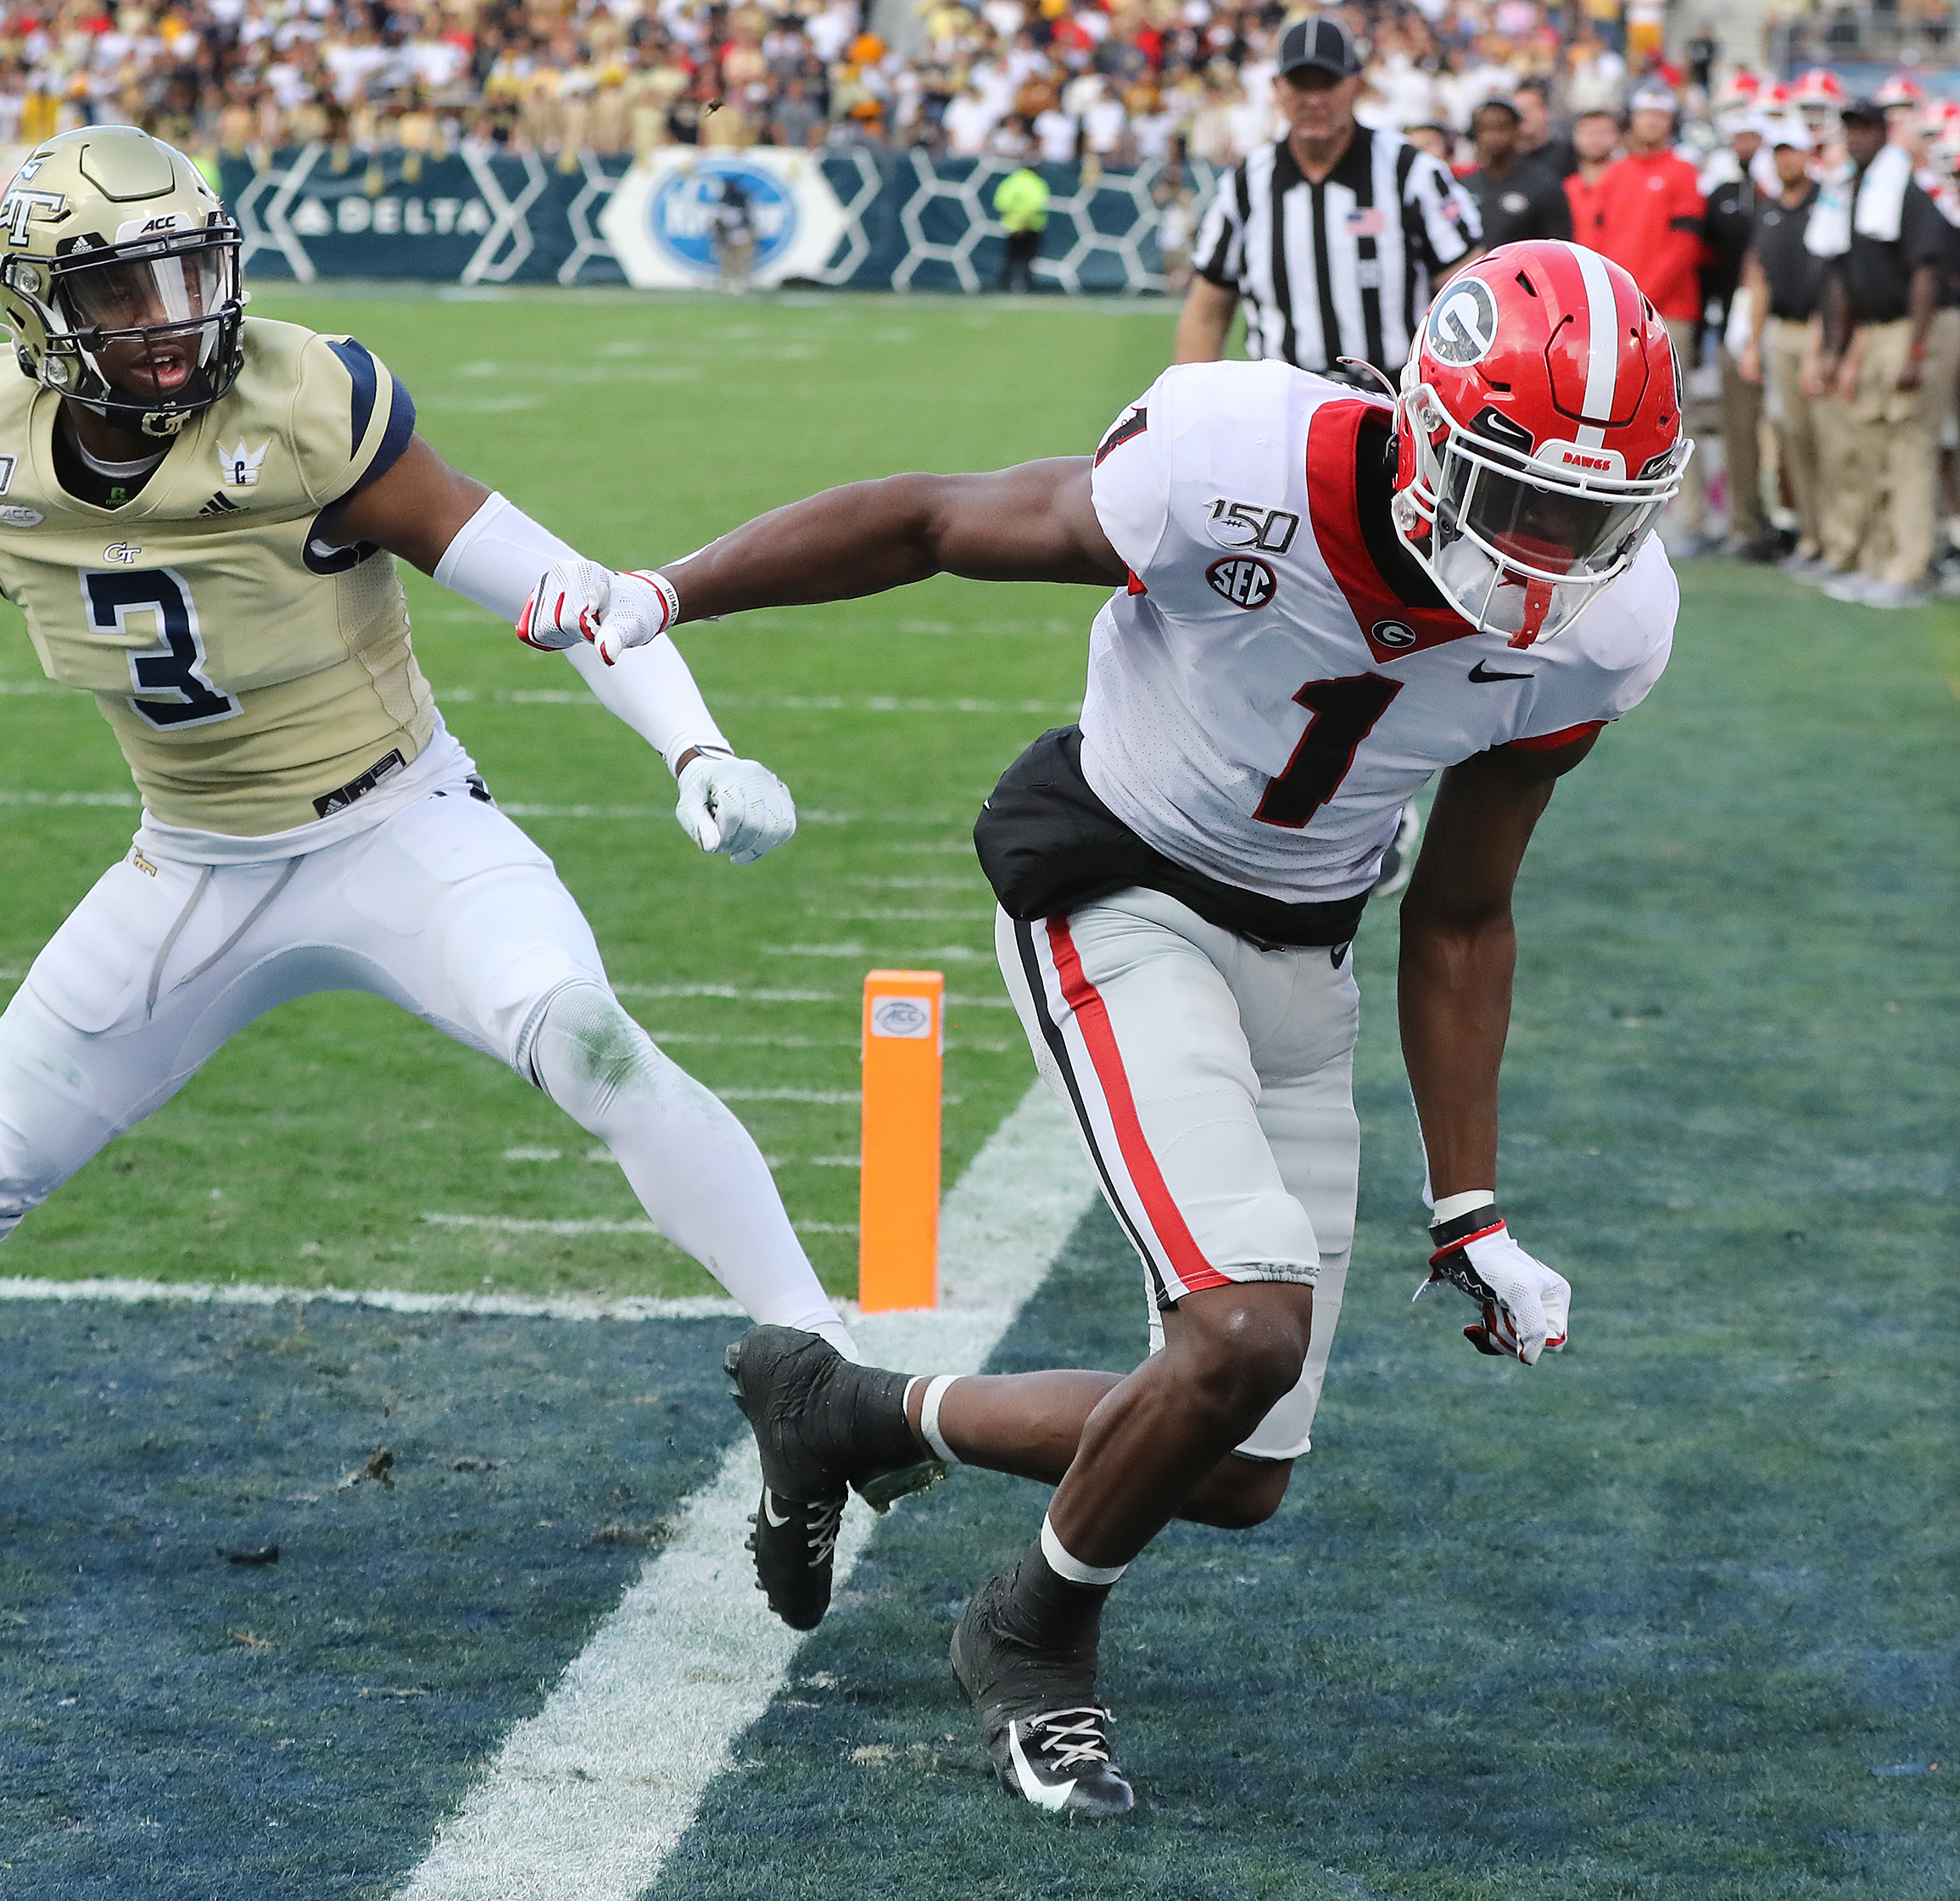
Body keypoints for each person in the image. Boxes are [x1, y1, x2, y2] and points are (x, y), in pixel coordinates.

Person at [528, 238, 1688, 1814]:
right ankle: (1031, 1633)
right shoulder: (1234, 463)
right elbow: (936, 519)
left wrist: (1471, 1205)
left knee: (1237, 1466)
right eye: (1526, 499)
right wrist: (664, 594)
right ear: (1424, 432)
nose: (1556, 553)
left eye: (1597, 517)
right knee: (1241, 1330)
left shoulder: (1603, 632)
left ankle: (845, 1410)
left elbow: (1467, 909)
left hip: (1305, 950)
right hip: (1114, 885)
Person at [0, 126, 870, 1540]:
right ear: (39, 312)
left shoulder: (304, 410)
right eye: (121, 291)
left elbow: (563, 592)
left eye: (188, 274)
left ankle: (823, 1360)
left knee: (585, 1033)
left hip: (401, 826)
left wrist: (695, 742)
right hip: (192, 862)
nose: (171, 321)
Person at [1183, 15, 1483, 390]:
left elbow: (1472, 294)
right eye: (1299, 84)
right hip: (1282, 409)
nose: (1313, 99)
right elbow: (1207, 311)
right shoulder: (1246, 185)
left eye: (1327, 83)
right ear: (1277, 88)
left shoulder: (1412, 174)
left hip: (1394, 406)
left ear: (1357, 85)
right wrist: (1194, 402)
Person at [1811, 98, 1960, 608]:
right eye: (1850, 129)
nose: (1856, 139)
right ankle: (1878, 560)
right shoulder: (1854, 190)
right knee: (1872, 444)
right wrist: (1837, 346)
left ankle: (1909, 566)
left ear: (1883, 132)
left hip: (1917, 325)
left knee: (1910, 446)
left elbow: (1926, 272)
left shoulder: (1908, 192)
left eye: (1866, 129)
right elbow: (1844, 279)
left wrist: (1916, 348)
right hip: (1875, 330)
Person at [1584, 87, 1710, 552]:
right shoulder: (1616, 175)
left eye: (1661, 114)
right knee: (1608, 414)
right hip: (1618, 314)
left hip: (1666, 314)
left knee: (1675, 414)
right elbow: (1595, 242)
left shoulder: (1681, 173)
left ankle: (1691, 517)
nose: (1652, 122)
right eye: (1645, 113)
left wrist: (1641, 298)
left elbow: (1685, 245)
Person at [1739, 124, 1828, 571]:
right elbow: (1759, 281)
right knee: (1792, 438)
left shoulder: (1825, 203)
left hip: (1823, 331)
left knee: (1827, 438)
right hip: (1781, 330)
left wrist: (1818, 346)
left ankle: (1838, 537)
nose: (1785, 160)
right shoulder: (1769, 209)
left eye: (1792, 151)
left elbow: (1832, 278)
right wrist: (1754, 343)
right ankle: (1811, 538)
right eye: (1779, 152)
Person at [1702, 113, 1770, 558]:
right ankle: (1746, 524)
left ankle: (1796, 525)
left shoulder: (1788, 193)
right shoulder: (1721, 195)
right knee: (1740, 431)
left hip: (1791, 322)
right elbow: (1707, 260)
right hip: (1735, 324)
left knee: (1793, 435)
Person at [1461, 99, 1575, 249]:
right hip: (1476, 272)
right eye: (1485, 130)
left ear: (1517, 130)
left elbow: (1560, 248)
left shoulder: (1544, 185)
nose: (1493, 137)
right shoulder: (1464, 187)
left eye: (1501, 129)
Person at [1563, 107, 1622, 242]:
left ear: (1616, 136)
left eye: (1603, 132)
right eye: (1589, 133)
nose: (1595, 139)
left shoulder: (1628, 183)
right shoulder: (1568, 187)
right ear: (1576, 137)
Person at [993, 156, 1049, 293]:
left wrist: (1015, 222)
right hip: (1032, 227)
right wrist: (1024, 223)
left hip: (1012, 227)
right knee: (1029, 259)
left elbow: (1000, 204)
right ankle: (1029, 286)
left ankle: (1003, 286)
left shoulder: (1010, 182)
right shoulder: (1037, 183)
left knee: (1011, 257)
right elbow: (1037, 205)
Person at [712, 171, 757, 292]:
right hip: (729, 234)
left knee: (741, 259)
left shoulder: (742, 200)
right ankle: (727, 281)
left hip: (741, 233)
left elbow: (749, 220)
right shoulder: (723, 201)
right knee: (728, 259)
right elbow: (719, 221)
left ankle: (740, 281)